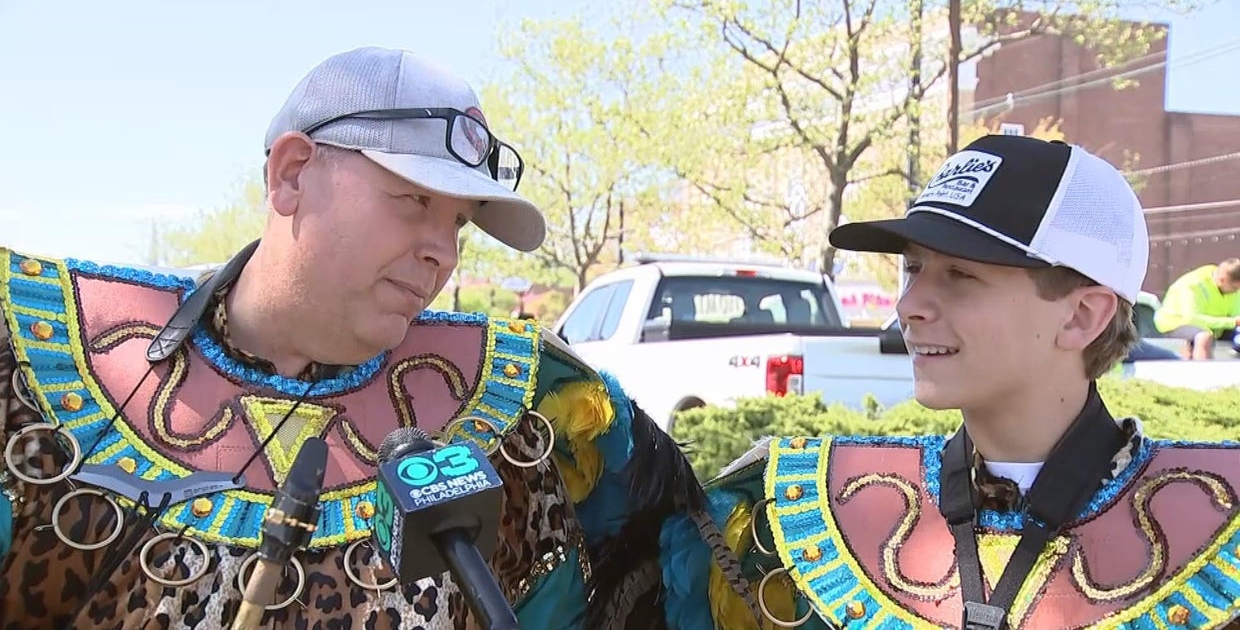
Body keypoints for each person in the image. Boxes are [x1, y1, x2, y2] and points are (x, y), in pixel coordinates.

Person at [0, 47, 719, 629]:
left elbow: (677, 576)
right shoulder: (32, 360)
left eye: (459, 221)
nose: (443, 251)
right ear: (291, 175)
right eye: (413, 199)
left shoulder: (531, 412)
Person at [660, 135, 1240, 629]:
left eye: (960, 274)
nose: (909, 305)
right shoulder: (781, 514)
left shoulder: (1219, 526)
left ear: (1081, 316)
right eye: (913, 268)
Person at [1153, 259, 1240, 359]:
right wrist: (1233, 322)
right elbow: (1192, 319)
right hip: (1176, 323)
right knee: (1204, 336)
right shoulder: (1193, 286)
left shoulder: (1231, 284)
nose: (1236, 292)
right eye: (1235, 288)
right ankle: (1202, 368)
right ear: (1222, 280)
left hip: (1215, 324)